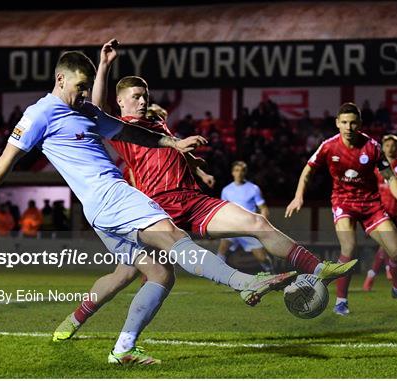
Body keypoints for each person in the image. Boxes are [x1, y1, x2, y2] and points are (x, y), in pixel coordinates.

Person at [0, 41, 297, 366]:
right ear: (60, 79)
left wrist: (173, 143)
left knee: (160, 274)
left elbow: (129, 132)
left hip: (101, 211)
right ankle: (245, 282)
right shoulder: (40, 114)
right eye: (79, 86)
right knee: (173, 236)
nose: (83, 93)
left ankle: (120, 348)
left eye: (88, 86)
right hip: (112, 196)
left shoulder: (87, 110)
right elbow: (5, 162)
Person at [52, 40, 357, 348]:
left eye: (146, 96)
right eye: (136, 96)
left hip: (192, 199)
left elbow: (172, 154)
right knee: (124, 276)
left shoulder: (158, 125)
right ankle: (77, 318)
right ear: (120, 102)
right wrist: (104, 65)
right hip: (155, 209)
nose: (143, 101)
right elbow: (97, 105)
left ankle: (318, 268)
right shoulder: (122, 129)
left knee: (256, 223)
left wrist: (197, 168)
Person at [286, 102, 397, 316]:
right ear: (337, 123)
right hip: (343, 204)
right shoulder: (329, 146)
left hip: (371, 206)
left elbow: (389, 177)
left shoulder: (372, 147)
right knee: (348, 248)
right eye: (344, 123)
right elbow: (308, 170)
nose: (349, 127)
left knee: (396, 251)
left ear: (359, 124)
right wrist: (298, 195)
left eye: (353, 123)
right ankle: (341, 301)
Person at [363, 134, 397, 291]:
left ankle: (375, 274)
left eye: (393, 145)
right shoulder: (376, 165)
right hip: (379, 211)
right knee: (386, 244)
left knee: (385, 245)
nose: (390, 148)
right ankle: (380, 272)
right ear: (382, 147)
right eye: (387, 145)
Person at [217, 161, 274, 273]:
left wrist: (262, 224)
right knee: (222, 250)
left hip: (249, 228)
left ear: (245, 172)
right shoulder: (226, 190)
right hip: (233, 228)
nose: (239, 173)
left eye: (242, 170)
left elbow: (263, 208)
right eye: (237, 170)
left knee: (262, 257)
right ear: (233, 172)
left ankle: (273, 273)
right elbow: (223, 210)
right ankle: (216, 274)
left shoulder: (254, 188)